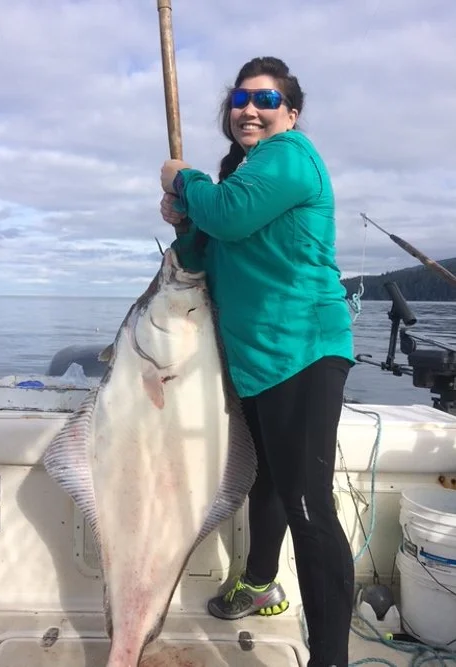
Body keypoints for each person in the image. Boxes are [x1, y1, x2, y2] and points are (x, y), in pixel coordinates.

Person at [159, 56, 355, 667]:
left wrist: (181, 179)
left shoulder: (290, 156)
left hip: (302, 349)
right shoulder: (240, 180)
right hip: (257, 362)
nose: (249, 108)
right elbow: (205, 249)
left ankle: (329, 659)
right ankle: (257, 582)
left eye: (266, 99)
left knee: (308, 506)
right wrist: (187, 218)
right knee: (266, 480)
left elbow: (229, 215)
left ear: (290, 114)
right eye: (241, 99)